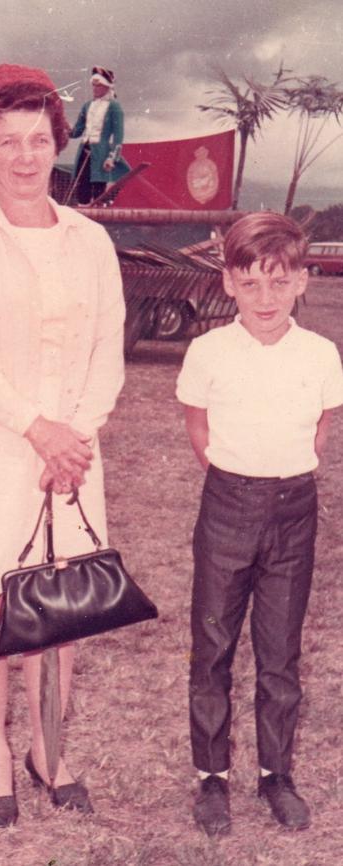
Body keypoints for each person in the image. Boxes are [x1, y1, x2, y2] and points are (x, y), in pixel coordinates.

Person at [0, 63, 125, 829]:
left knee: (60, 610)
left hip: (73, 456)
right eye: (7, 141)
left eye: (38, 140)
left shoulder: (90, 242)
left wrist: (74, 435)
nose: (23, 156)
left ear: (57, 145)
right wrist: (36, 429)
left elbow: (108, 346)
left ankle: (49, 750)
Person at [176, 212, 343, 837]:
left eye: (279, 282)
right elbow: (198, 424)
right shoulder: (208, 351)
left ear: (302, 280)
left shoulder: (321, 354)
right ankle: (211, 777)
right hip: (227, 508)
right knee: (213, 646)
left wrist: (280, 479)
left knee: (279, 654)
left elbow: (320, 429)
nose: (265, 298)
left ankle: (277, 773)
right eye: (251, 283)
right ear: (228, 284)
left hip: (294, 511)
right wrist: (236, 480)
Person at [69, 66, 130, 205]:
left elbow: (118, 136)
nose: (94, 89)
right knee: (82, 187)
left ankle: (99, 216)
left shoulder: (114, 107)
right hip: (83, 152)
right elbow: (77, 131)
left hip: (101, 154)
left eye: (99, 85)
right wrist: (60, 128)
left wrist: (112, 158)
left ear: (107, 87)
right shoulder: (86, 106)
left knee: (98, 190)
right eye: (93, 85)